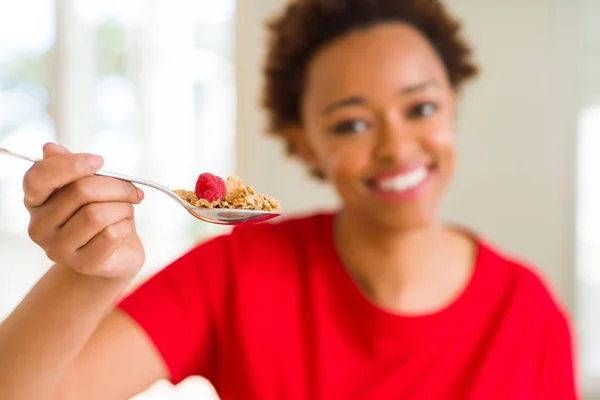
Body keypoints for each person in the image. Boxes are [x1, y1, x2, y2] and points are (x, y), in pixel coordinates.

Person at [0, 0, 577, 399]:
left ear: (453, 103)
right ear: (305, 142)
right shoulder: (237, 270)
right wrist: (86, 276)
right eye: (352, 124)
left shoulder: (525, 311)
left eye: (421, 108)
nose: (396, 146)